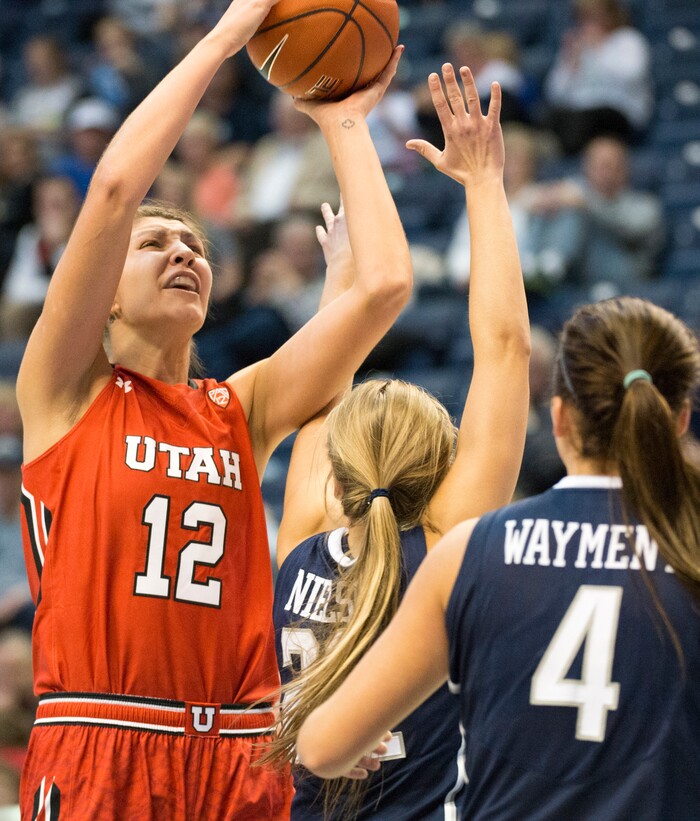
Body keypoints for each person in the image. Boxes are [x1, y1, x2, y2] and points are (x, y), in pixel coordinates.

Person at [14, 0, 413, 815]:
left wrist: (340, 119)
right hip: (102, 739)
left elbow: (384, 285)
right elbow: (120, 183)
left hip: (239, 753)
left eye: (195, 244)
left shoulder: (241, 407)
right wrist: (233, 33)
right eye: (156, 244)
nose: (184, 252)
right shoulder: (63, 390)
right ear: (106, 300)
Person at [295, 295, 700, 820]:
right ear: (681, 418)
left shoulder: (471, 549)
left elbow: (321, 749)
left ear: (559, 418)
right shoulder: (686, 545)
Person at [267, 64, 531, 819]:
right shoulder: (448, 546)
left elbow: (321, 390)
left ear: (338, 470)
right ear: (443, 461)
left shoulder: (302, 542)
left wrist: (342, 286)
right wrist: (483, 183)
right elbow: (506, 346)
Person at [542, 0, 653, 155]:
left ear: (610, 15)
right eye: (584, 17)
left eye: (595, 16)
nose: (589, 23)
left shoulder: (628, 40)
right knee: (550, 118)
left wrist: (598, 50)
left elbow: (632, 76)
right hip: (579, 114)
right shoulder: (576, 47)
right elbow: (554, 93)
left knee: (588, 119)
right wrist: (571, 64)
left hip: (617, 113)